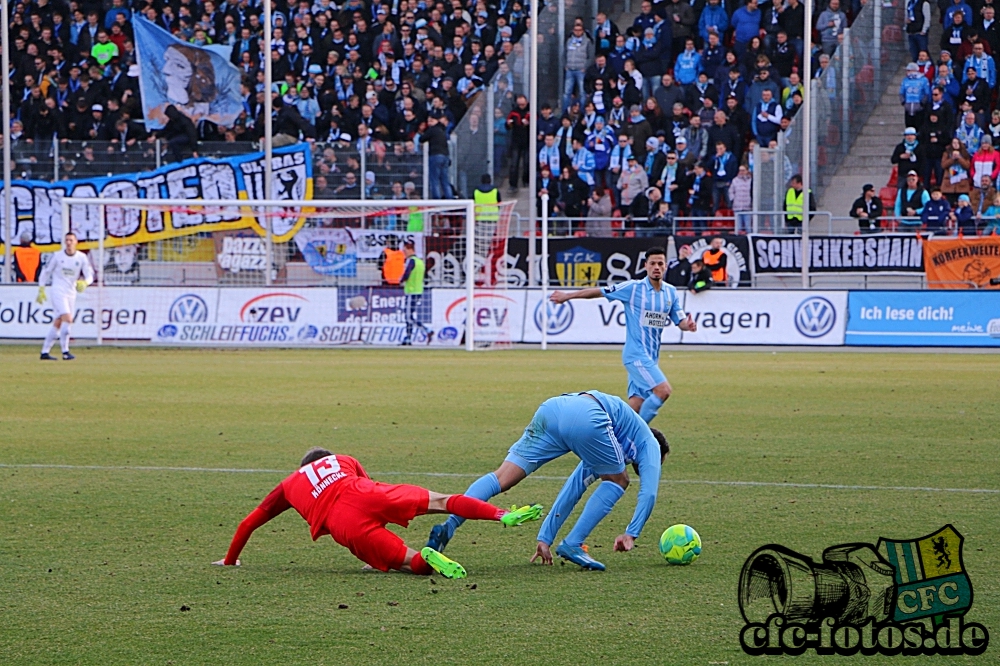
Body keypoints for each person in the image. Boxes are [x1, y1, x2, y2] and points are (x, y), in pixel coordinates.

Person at [425, 391, 668, 571]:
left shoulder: (610, 445)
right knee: (619, 480)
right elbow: (649, 493)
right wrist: (631, 534)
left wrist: (545, 538)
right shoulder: (648, 443)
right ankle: (574, 542)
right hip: (588, 415)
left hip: (554, 409)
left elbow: (574, 488)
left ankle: (450, 525)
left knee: (502, 477)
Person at [215, 447, 543, 579]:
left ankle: (425, 557)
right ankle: (502, 515)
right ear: (325, 458)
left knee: (407, 564)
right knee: (444, 500)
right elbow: (367, 486)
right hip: (367, 493)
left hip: (343, 524)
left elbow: (249, 523)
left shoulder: (289, 485)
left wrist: (230, 560)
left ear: (303, 467)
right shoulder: (342, 458)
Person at [549, 247, 697, 423]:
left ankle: (613, 440)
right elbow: (600, 291)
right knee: (663, 391)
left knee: (636, 406)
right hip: (636, 355)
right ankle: (639, 437)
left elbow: (680, 321)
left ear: (665, 267)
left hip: (651, 358)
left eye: (660, 263)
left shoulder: (670, 292)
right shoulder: (633, 288)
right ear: (646, 266)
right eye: (652, 263)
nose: (656, 267)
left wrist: (688, 326)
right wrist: (568, 296)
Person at [36, 232, 94, 361]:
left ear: (76, 242)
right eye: (66, 240)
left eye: (71, 240)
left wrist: (85, 283)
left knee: (58, 322)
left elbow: (90, 275)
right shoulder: (57, 256)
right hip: (58, 291)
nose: (69, 243)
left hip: (71, 293)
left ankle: (44, 352)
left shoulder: (82, 257)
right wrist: (41, 288)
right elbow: (46, 272)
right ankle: (65, 351)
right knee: (68, 319)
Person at [400, 240, 432, 346]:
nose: (404, 253)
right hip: (418, 291)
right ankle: (408, 338)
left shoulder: (411, 261)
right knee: (409, 315)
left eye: (405, 250)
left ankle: (426, 330)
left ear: (410, 250)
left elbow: (407, 274)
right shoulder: (420, 262)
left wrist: (400, 280)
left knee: (408, 316)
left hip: (411, 291)